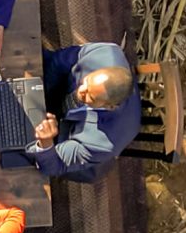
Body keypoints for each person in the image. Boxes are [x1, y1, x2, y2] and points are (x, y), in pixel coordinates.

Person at [34, 42, 142, 181]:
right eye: (87, 81)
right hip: (57, 87)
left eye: (90, 96)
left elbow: (55, 165)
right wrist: (40, 93)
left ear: (109, 107)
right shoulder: (104, 52)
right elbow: (59, 61)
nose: (81, 90)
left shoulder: (104, 142)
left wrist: (46, 142)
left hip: (64, 135)